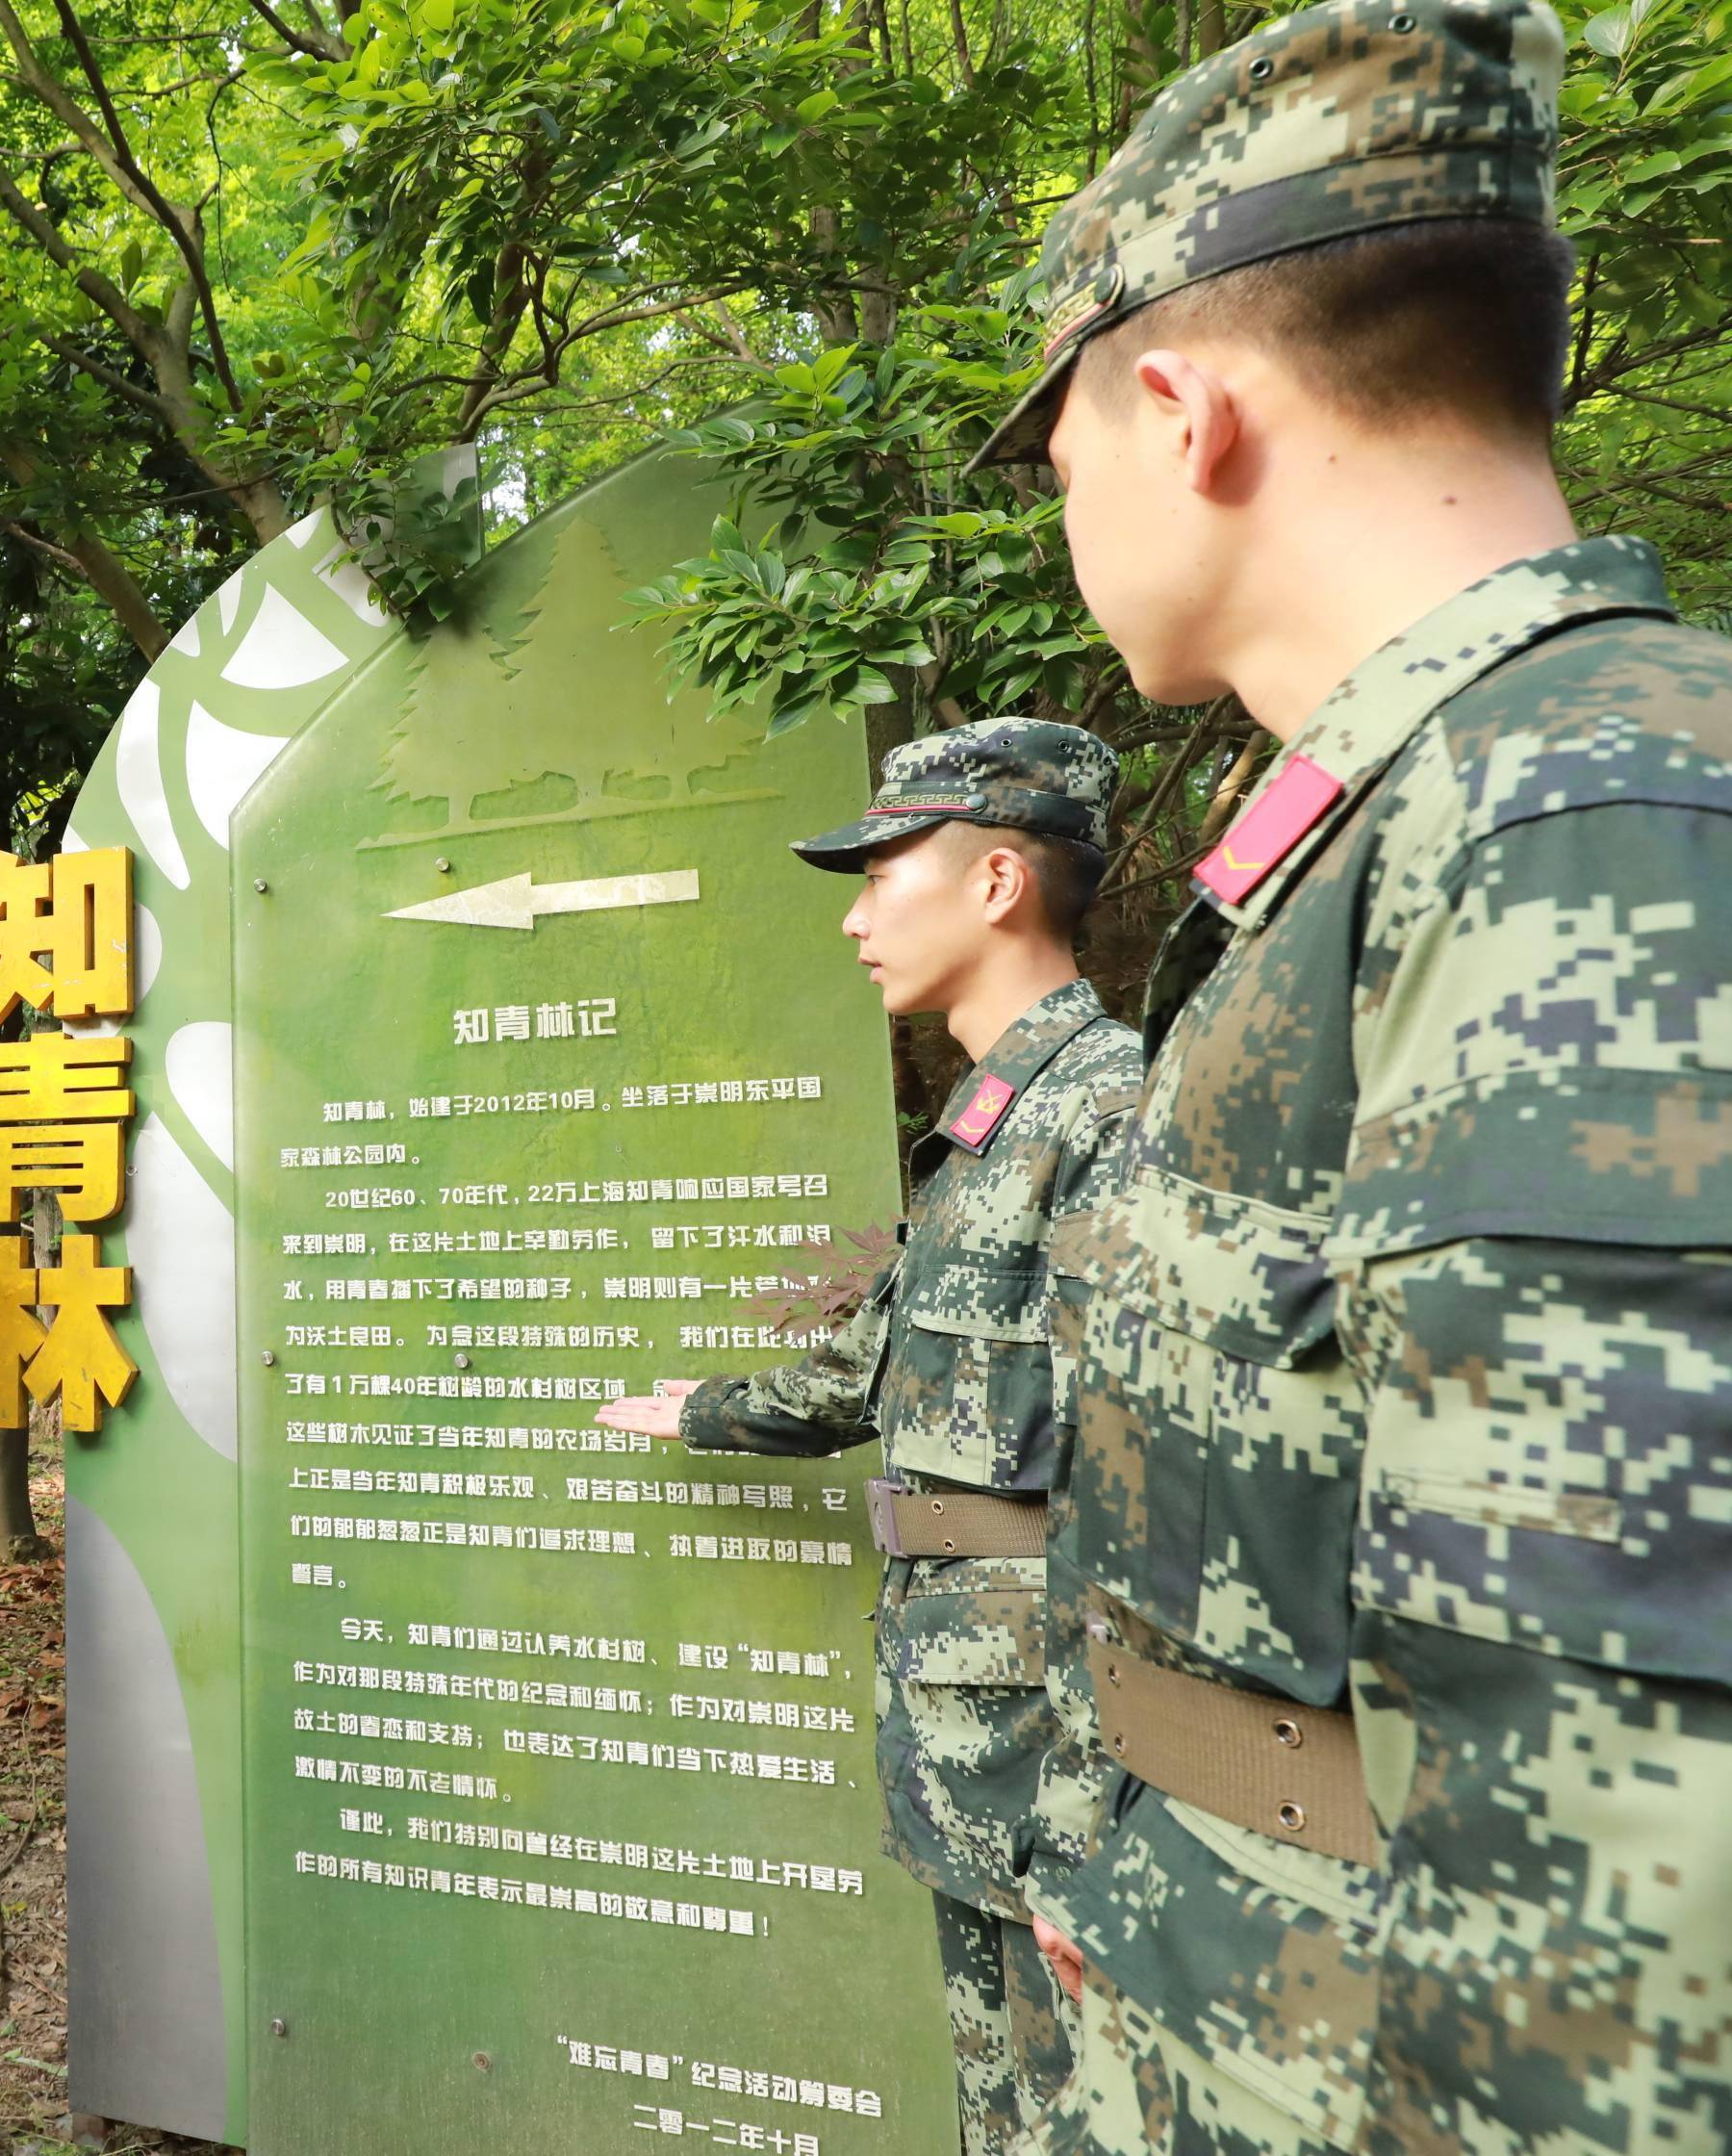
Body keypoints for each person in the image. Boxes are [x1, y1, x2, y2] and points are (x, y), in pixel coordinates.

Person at [972, 2, 1732, 2148]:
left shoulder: (1586, 820)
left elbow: (1633, 1855)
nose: (1062, 514)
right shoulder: (1408, 830)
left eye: (1056, 460)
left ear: (1182, 408)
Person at [598, 723, 1141, 2156]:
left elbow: (1147, 1498)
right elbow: (883, 1370)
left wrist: (1092, 1834)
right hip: (974, 1747)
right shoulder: (992, 1127)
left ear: (997, 882)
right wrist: (706, 1411)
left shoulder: (1110, 1112)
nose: (851, 913)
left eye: (882, 871)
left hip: (1056, 1784)